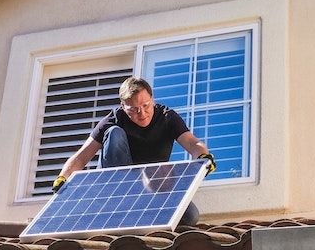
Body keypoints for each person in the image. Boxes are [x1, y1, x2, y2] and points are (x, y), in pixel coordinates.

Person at [51, 76, 216, 226]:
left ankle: (144, 217)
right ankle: (115, 201)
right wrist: (63, 178)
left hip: (152, 187)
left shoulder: (167, 117)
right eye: (134, 109)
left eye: (146, 106)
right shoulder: (112, 120)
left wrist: (202, 157)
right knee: (114, 133)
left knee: (190, 216)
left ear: (152, 99)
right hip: (117, 186)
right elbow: (81, 158)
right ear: (123, 106)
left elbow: (192, 143)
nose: (142, 113)